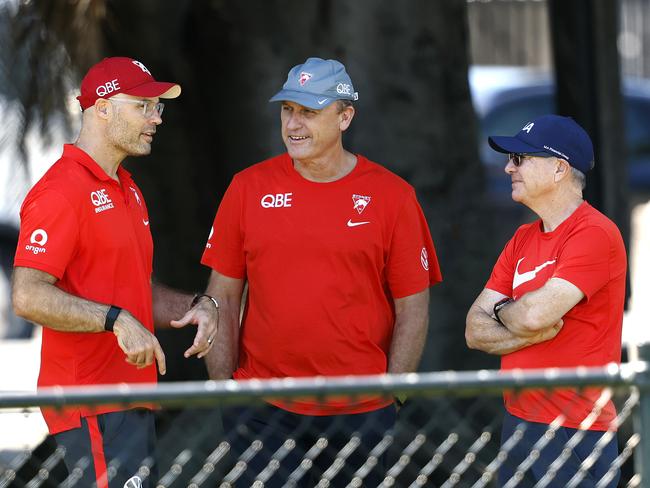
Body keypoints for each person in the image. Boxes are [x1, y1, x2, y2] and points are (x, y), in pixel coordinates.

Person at [200, 57, 442, 486]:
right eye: (287, 110)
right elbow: (222, 296)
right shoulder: (247, 187)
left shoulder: (393, 197)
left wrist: (394, 394)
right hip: (261, 408)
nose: (294, 124)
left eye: (309, 112)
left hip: (361, 412)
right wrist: (225, 392)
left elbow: (413, 309)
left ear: (345, 116)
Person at [11, 57, 219, 488]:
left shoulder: (128, 188)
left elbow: (136, 290)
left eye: (158, 107)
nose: (156, 117)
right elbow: (27, 295)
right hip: (91, 401)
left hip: (128, 399)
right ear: (102, 107)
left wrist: (195, 306)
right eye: (143, 105)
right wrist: (115, 320)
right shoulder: (61, 191)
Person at [465, 115, 626, 487]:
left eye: (520, 159)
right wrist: (524, 329)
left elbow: (536, 314)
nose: (508, 167)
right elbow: (474, 329)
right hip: (519, 420)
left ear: (559, 169)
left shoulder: (596, 233)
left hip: (575, 430)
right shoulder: (522, 237)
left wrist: (504, 310)